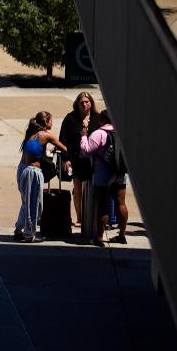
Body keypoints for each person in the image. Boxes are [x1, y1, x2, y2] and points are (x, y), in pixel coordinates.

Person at [14, 111, 69, 243]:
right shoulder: (46, 135)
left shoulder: (31, 134)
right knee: (35, 204)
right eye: (51, 120)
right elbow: (65, 148)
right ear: (46, 122)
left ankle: (19, 229)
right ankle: (29, 235)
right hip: (33, 172)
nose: (52, 123)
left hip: (22, 169)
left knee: (26, 202)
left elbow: (36, 150)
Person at [80, 111, 130, 244]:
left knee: (103, 206)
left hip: (104, 174)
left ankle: (99, 237)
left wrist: (84, 136)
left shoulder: (99, 133)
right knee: (121, 203)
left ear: (102, 119)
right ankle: (122, 235)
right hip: (120, 172)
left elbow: (86, 151)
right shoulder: (121, 132)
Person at [58, 92, 97, 230]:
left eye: (87, 101)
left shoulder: (97, 119)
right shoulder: (70, 119)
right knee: (78, 189)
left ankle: (92, 216)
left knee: (93, 189)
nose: (85, 104)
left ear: (91, 103)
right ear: (77, 104)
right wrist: (66, 158)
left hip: (94, 160)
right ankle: (80, 217)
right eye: (82, 102)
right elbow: (63, 139)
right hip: (76, 159)